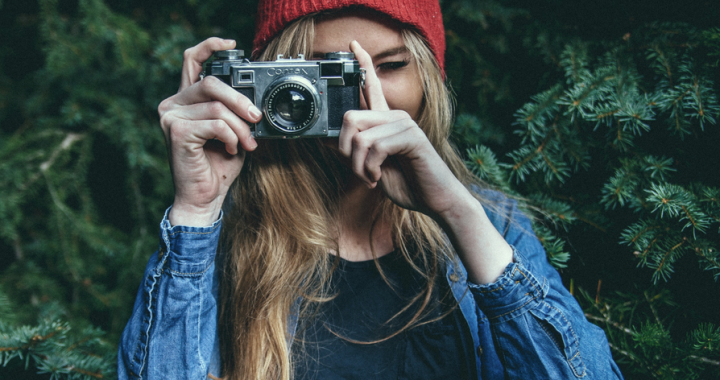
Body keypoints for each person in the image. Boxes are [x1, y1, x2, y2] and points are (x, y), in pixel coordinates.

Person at [118, 0, 624, 379]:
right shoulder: (219, 238)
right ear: (265, 85)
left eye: (390, 66)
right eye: (324, 73)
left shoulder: (491, 225)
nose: (364, 96)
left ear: (428, 75)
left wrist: (457, 212)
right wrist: (195, 211)